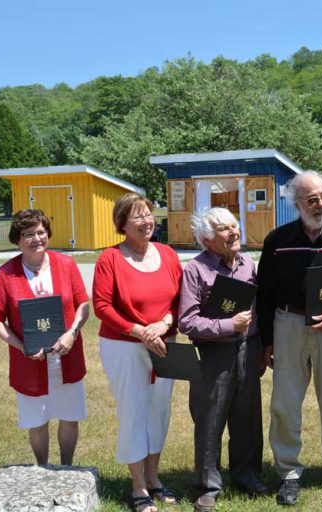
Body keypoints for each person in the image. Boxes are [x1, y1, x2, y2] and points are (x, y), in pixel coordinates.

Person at [256, 171, 322, 506]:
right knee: (285, 403)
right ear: (297, 204)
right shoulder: (278, 241)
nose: (320, 204)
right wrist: (268, 340)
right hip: (288, 325)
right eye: (311, 199)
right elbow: (265, 293)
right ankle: (288, 472)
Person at [92, 193, 183, 512]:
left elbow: (179, 299)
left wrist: (166, 322)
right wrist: (140, 331)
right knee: (134, 411)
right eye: (138, 217)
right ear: (122, 225)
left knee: (160, 410)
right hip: (125, 346)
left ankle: (154, 477)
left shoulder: (169, 255)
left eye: (148, 214)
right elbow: (101, 306)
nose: (146, 221)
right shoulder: (110, 259)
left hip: (164, 344)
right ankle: (138, 486)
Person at [178, 208, 266, 512]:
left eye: (234, 226)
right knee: (210, 420)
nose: (233, 232)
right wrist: (229, 325)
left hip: (249, 349)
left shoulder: (248, 265)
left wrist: (262, 346)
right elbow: (187, 322)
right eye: (223, 229)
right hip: (213, 354)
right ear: (206, 239)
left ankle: (247, 474)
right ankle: (207, 486)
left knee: (248, 418)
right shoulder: (196, 270)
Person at [0, 209, 90, 466]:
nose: (37, 239)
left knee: (69, 416)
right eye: (28, 234)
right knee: (37, 420)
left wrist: (72, 332)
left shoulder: (65, 264)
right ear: (18, 239)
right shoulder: (6, 273)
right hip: (30, 362)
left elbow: (83, 304)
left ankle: (67, 467)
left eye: (41, 232)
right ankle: (42, 469)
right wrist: (21, 347)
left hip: (67, 357)